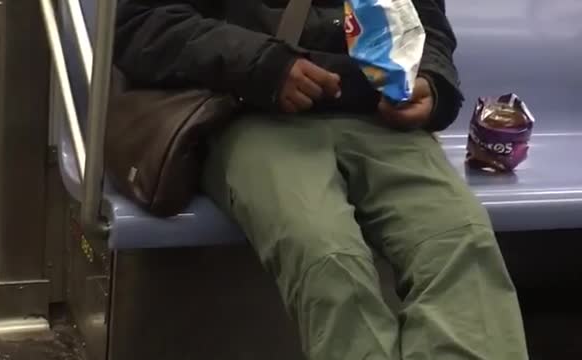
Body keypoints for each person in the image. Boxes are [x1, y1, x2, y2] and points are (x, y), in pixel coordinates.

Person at [114, 1, 529, 359]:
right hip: (251, 111)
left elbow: (426, 22)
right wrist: (262, 65)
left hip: (378, 116)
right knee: (327, 255)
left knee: (461, 242)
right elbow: (143, 24)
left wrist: (432, 84)